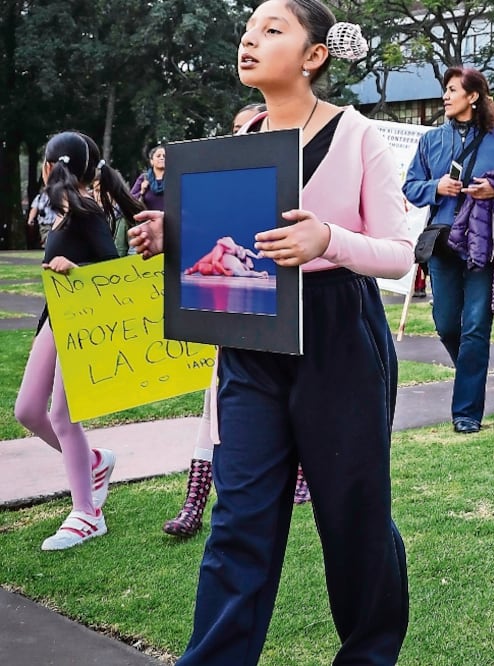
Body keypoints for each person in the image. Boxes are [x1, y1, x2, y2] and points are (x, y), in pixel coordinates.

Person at [130, 2, 411, 662]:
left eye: (272, 30)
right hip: (251, 334)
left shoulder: (356, 133)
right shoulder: (237, 143)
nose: (250, 40)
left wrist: (329, 238)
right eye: (248, 30)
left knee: (354, 517)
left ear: (315, 56)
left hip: (340, 331)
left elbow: (401, 251)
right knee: (238, 519)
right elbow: (226, 240)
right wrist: (171, 234)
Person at [163, 102, 312, 540]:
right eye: (237, 130)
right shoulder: (224, 190)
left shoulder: (287, 187)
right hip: (236, 321)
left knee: (298, 403)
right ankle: (194, 502)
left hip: (292, 318)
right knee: (216, 408)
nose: (244, 136)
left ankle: (301, 472)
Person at [15, 131, 140, 550]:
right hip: (55, 318)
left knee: (63, 417)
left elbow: (114, 270)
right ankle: (94, 463)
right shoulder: (66, 212)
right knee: (29, 411)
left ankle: (87, 513)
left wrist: (77, 266)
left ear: (48, 168)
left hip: (83, 320)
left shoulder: (85, 212)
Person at [403, 65, 494, 434]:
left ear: (473, 96)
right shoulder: (430, 141)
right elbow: (410, 186)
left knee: (475, 327)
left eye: (453, 89)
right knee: (445, 324)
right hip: (441, 242)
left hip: (484, 245)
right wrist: (436, 187)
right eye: (445, 90)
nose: (445, 96)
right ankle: (471, 371)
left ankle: (466, 413)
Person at [130, 144, 166, 212]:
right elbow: (130, 200)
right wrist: (142, 191)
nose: (162, 158)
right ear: (151, 161)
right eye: (158, 156)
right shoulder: (144, 178)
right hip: (149, 220)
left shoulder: (174, 178)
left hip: (172, 221)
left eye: (164, 156)